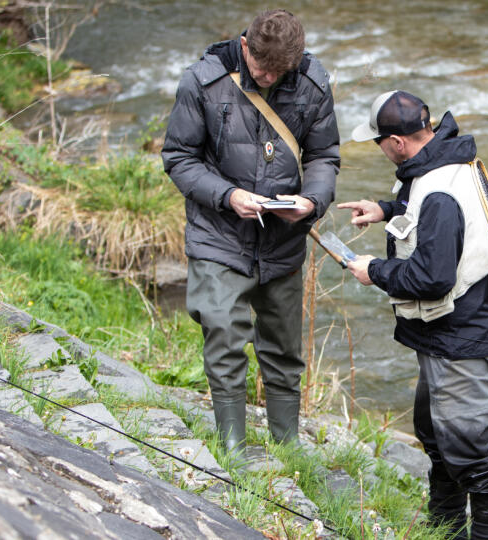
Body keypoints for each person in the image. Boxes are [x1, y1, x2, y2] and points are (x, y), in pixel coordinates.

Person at [161, 9, 339, 452]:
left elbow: (324, 156)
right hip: (218, 235)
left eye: (281, 72)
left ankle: (288, 448)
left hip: (282, 241)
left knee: (284, 350)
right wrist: (227, 195)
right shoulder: (201, 82)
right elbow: (179, 158)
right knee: (223, 336)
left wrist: (312, 201)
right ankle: (232, 449)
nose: (270, 79)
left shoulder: (313, 84)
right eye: (262, 70)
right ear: (245, 47)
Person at [338, 91, 488, 539]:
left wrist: (373, 271)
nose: (379, 149)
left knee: (477, 460)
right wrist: (386, 209)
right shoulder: (441, 161)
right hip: (447, 333)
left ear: (397, 142)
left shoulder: (439, 193)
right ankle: (444, 531)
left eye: (378, 141)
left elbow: (433, 277)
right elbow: (426, 217)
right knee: (437, 438)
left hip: (462, 340)